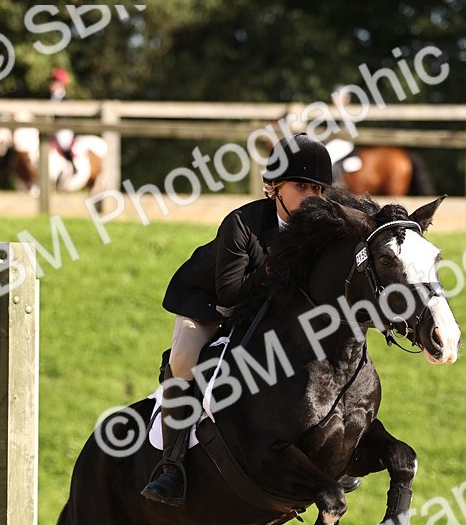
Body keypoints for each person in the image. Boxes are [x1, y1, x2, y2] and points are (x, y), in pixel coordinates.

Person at [141, 133, 335, 506]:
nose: (311, 197)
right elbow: (231, 293)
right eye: (300, 186)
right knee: (184, 359)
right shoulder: (241, 223)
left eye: (317, 189)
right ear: (273, 187)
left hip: (267, 312)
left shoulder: (319, 230)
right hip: (212, 305)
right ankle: (172, 466)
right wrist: (281, 263)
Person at [49, 67, 75, 166]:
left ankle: (71, 164)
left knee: (62, 141)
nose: (51, 84)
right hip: (50, 128)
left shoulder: (65, 99)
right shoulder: (50, 97)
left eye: (54, 81)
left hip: (62, 129)